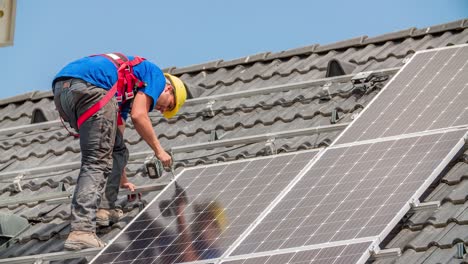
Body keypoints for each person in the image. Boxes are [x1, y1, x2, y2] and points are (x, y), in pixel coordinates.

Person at [51, 53, 187, 250]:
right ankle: (82, 230)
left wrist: (122, 177)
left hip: (63, 90)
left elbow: (116, 139)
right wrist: (159, 151)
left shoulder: (125, 95)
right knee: (96, 161)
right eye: (169, 104)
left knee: (116, 150)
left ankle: (104, 209)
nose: (162, 109)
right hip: (91, 87)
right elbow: (139, 116)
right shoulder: (156, 75)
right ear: (168, 88)